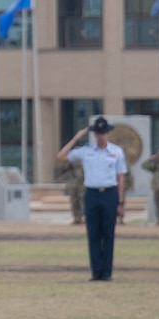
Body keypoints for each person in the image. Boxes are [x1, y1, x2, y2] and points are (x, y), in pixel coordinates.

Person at [57, 118, 127, 281]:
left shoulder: (116, 152)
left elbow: (121, 177)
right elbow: (61, 156)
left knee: (108, 234)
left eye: (103, 133)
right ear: (94, 135)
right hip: (92, 194)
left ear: (108, 134)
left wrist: (120, 202)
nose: (101, 136)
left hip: (109, 193)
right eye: (98, 133)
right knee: (93, 234)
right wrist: (75, 138)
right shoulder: (86, 151)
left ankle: (107, 273)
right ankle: (96, 272)